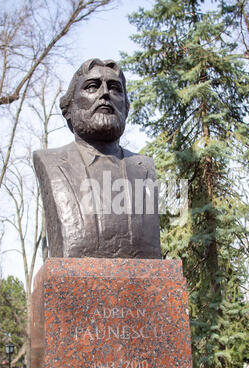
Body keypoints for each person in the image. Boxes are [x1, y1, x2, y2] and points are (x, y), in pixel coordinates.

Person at [33, 59, 161, 259]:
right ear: (69, 108)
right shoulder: (51, 162)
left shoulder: (144, 168)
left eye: (115, 88)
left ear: (126, 108)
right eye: (92, 87)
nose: (105, 94)